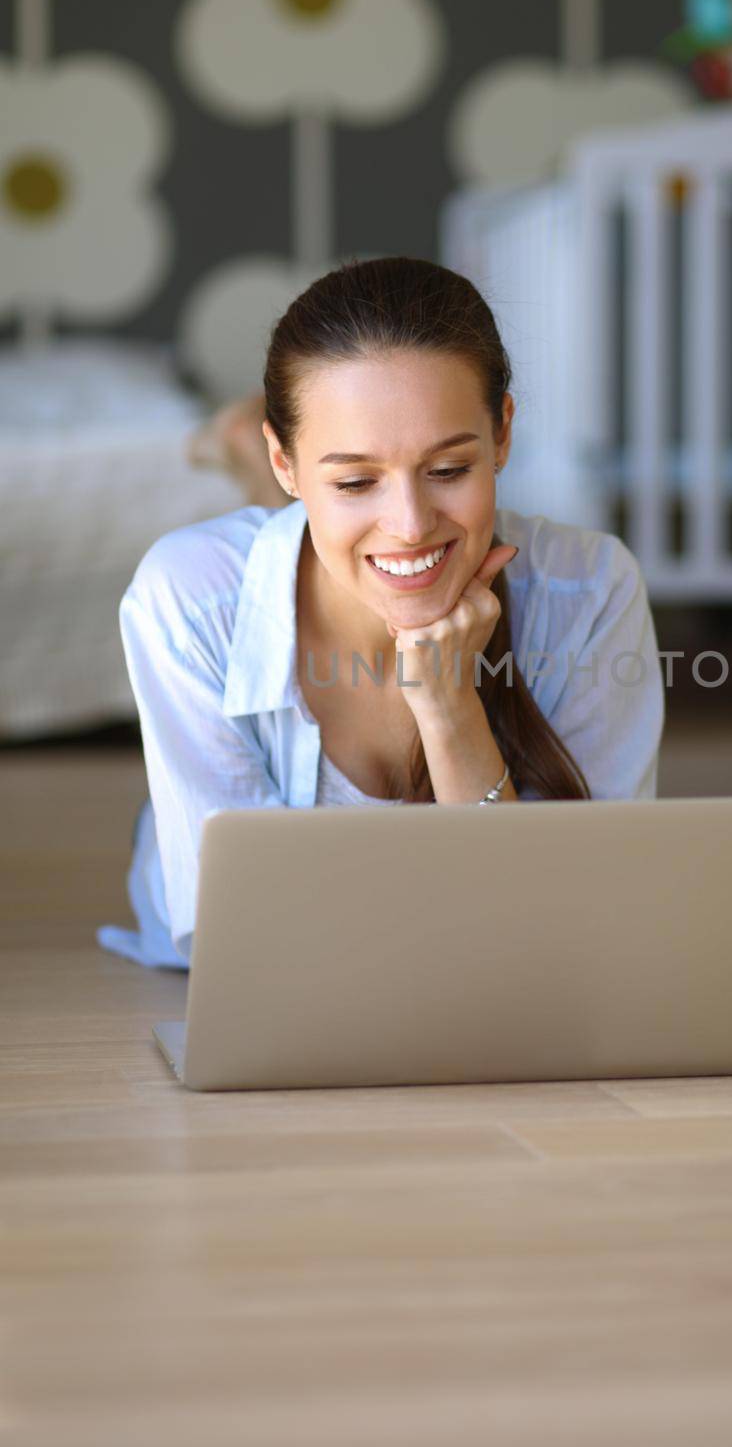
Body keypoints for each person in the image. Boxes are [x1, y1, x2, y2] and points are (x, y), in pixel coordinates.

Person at [97, 256, 665, 970]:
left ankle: (279, 467)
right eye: (357, 478)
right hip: (255, 956)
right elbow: (235, 936)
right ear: (288, 460)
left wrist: (450, 706)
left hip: (379, 954)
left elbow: (579, 929)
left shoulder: (590, 587)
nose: (410, 521)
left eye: (449, 470)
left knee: (361, 546)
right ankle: (248, 455)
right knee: (308, 554)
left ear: (503, 434)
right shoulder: (183, 595)